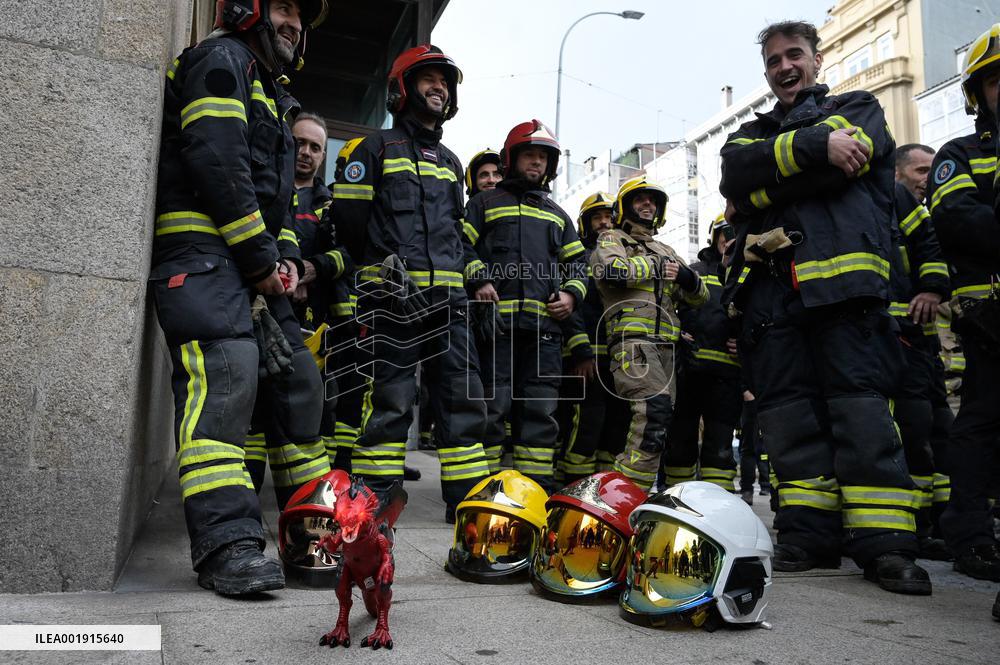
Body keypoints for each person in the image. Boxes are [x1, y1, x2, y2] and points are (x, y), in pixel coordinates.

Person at [719, 20, 929, 594]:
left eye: (795, 56)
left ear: (817, 60)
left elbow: (847, 158)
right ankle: (809, 538)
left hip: (848, 296)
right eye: (774, 61)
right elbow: (734, 176)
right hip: (773, 301)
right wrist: (814, 154)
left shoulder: (860, 107)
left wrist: (765, 187)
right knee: (790, 421)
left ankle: (887, 547)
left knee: (863, 419)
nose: (785, 67)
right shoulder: (746, 135)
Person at [150, 0, 328, 594]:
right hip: (203, 262)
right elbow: (217, 158)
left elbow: (273, 198)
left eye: (301, 15)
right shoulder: (220, 60)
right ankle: (227, 546)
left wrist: (278, 259)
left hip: (245, 267)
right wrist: (260, 261)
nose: (294, 23)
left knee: (299, 383)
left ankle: (314, 534)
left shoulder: (271, 94)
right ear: (247, 7)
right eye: (284, 7)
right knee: (224, 386)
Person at [332, 45, 490, 519]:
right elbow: (351, 223)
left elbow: (456, 233)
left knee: (462, 399)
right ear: (402, 87)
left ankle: (465, 500)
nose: (439, 87)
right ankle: (376, 494)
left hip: (449, 304)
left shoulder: (452, 161)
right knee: (390, 398)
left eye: (445, 80)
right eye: (428, 78)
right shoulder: (371, 148)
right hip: (393, 302)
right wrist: (379, 276)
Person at [463, 120, 590, 491]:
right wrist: (479, 278)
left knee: (540, 413)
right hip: (496, 330)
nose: (536, 163)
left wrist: (570, 294)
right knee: (491, 408)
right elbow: (461, 246)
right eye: (529, 155)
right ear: (511, 159)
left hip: (545, 337)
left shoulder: (558, 215)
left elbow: (579, 266)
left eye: (543, 157)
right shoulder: (484, 203)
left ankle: (533, 491)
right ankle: (484, 490)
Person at [928, 23, 1000, 583]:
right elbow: (958, 219)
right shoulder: (959, 153)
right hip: (990, 318)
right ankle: (971, 536)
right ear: (976, 93)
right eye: (996, 80)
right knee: (980, 421)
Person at [590, 176, 709, 491]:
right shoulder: (611, 239)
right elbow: (612, 272)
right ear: (625, 206)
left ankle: (635, 495)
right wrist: (657, 265)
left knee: (662, 425)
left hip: (668, 350)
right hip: (633, 343)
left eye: (653, 200)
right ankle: (623, 494)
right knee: (652, 414)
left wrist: (685, 276)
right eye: (640, 199)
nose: (648, 204)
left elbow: (700, 297)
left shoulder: (666, 248)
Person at [885, 178, 951, 561]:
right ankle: (917, 524)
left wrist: (932, 287)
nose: (927, 178)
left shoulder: (899, 199)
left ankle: (932, 523)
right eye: (921, 169)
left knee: (926, 427)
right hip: (875, 337)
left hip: (912, 338)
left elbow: (928, 245)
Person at [556, 193, 630, 483]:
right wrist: (580, 352)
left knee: (616, 427)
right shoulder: (577, 260)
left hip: (618, 359)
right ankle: (572, 488)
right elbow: (571, 308)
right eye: (597, 218)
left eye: (609, 217)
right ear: (584, 224)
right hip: (586, 358)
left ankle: (600, 490)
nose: (604, 223)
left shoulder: (626, 258)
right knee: (585, 425)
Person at [665, 214, 742, 491]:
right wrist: (676, 335)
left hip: (727, 376)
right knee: (680, 440)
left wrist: (744, 343)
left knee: (720, 446)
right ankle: (677, 500)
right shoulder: (693, 270)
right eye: (726, 231)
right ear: (714, 236)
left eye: (736, 231)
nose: (730, 237)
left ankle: (718, 502)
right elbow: (665, 307)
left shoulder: (744, 274)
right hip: (688, 371)